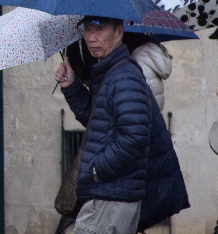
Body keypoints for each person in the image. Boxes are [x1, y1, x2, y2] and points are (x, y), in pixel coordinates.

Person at [55, 16, 188, 234]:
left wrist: (98, 169)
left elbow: (135, 138)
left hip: (111, 195)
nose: (91, 38)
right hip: (110, 193)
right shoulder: (110, 71)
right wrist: (71, 86)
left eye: (99, 30)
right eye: (87, 30)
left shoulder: (124, 76)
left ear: (119, 32)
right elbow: (98, 123)